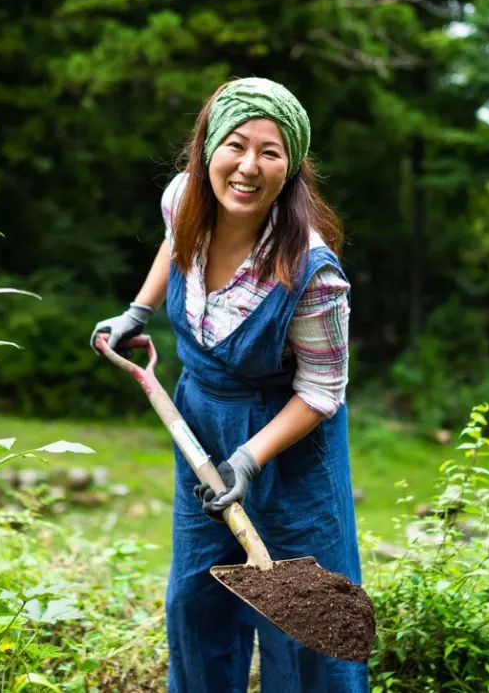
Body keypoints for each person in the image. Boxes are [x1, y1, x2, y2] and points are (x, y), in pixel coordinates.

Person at [91, 77, 366, 693]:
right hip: (200, 425)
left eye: (270, 152)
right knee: (197, 602)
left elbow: (323, 390)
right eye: (236, 146)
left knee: (305, 626)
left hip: (289, 449)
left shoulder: (312, 272)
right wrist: (138, 311)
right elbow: (174, 244)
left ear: (290, 167)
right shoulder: (182, 198)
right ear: (207, 148)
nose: (248, 167)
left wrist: (249, 457)